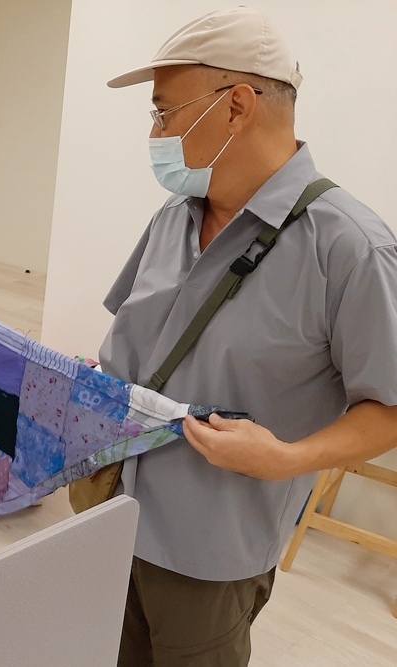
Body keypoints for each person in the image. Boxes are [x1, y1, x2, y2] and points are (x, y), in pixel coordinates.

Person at [98, 7, 397, 665]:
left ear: (235, 107)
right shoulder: (172, 220)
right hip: (113, 518)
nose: (155, 133)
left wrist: (287, 458)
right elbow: (131, 346)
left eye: (164, 113)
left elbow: (388, 410)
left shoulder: (349, 247)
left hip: (210, 557)